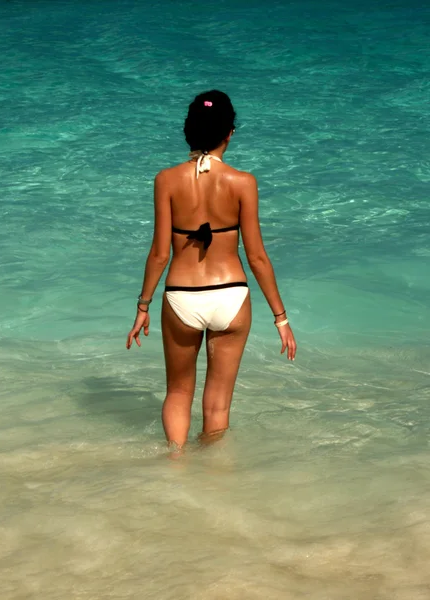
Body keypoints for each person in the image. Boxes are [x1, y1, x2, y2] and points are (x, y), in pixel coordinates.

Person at [126, 90, 296, 450]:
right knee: (217, 404)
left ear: (188, 131)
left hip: (181, 298)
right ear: (229, 133)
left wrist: (143, 306)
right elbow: (258, 258)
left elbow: (159, 254)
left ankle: (175, 470)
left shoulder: (166, 180)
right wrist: (280, 318)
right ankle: (214, 482)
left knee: (177, 393)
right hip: (231, 296)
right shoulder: (243, 182)